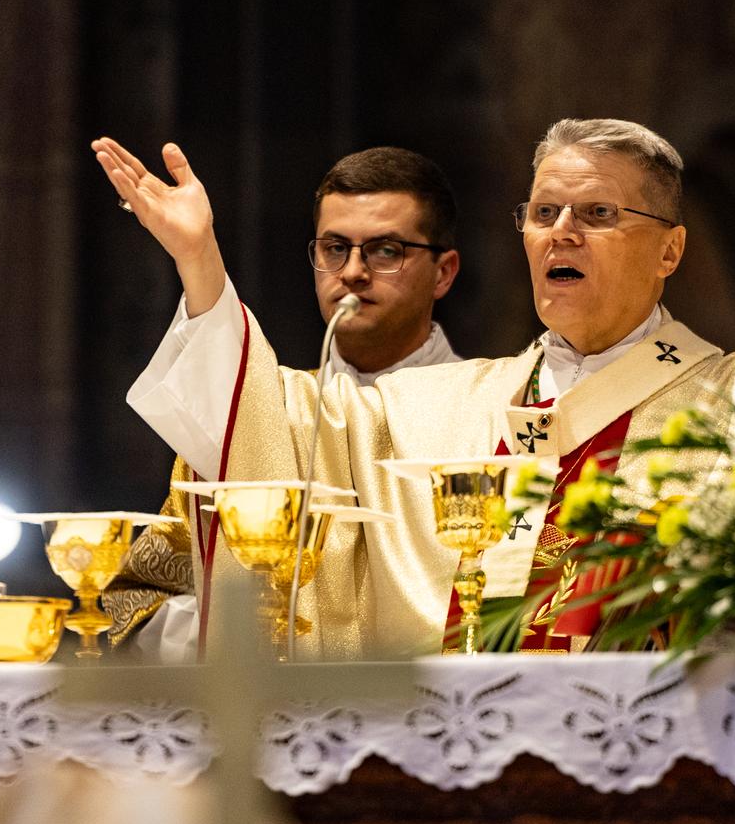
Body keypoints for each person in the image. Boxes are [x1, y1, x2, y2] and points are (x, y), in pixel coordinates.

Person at [93, 66, 735, 659]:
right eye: (544, 211)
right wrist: (201, 265)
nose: (562, 232)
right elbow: (266, 427)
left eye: (597, 213)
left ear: (670, 252)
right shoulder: (442, 407)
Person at [101, 148, 464, 652]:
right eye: (334, 248)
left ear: (443, 272)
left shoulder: (485, 417)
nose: (353, 271)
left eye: (385, 251)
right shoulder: (261, 418)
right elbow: (141, 603)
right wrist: (236, 638)